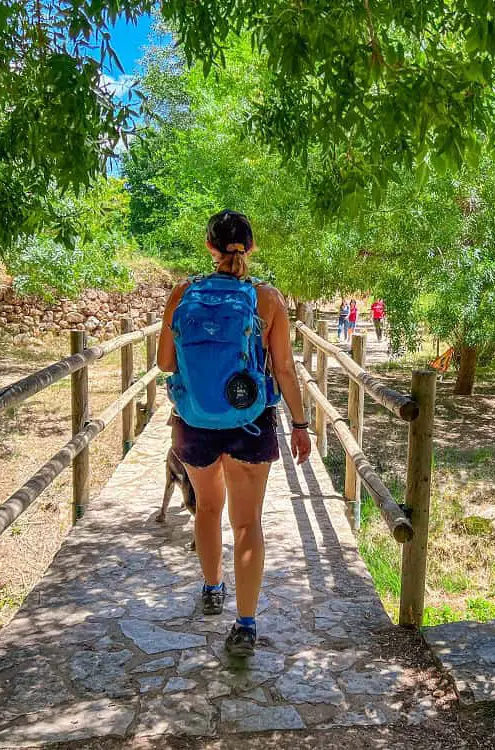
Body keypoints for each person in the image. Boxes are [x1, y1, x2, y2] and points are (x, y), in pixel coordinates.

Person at [157, 209, 312, 657]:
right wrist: (299, 425)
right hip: (250, 422)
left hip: (194, 423)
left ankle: (211, 588)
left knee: (207, 508)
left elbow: (166, 364)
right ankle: (244, 625)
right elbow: (283, 368)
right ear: (252, 247)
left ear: (209, 247)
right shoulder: (267, 299)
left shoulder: (182, 293)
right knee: (247, 524)